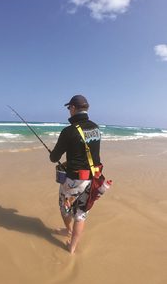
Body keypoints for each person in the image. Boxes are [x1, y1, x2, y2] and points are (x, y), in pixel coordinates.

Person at [49, 94, 101, 254]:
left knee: (64, 208)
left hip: (72, 180)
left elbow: (54, 158)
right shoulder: (96, 128)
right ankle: (72, 247)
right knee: (81, 214)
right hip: (92, 178)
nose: (68, 111)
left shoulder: (69, 131)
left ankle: (68, 230)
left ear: (72, 108)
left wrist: (55, 154)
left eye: (68, 108)